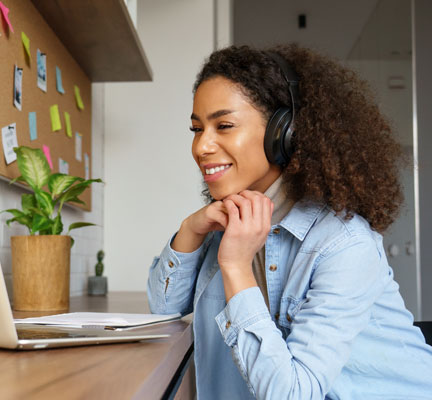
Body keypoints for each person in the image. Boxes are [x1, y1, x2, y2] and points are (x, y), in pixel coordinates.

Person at [147, 44, 432, 399]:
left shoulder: (344, 244)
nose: (202, 146)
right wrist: (190, 230)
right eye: (196, 129)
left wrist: (236, 266)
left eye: (224, 125)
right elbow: (164, 308)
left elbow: (293, 394)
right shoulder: (231, 220)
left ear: (284, 132)